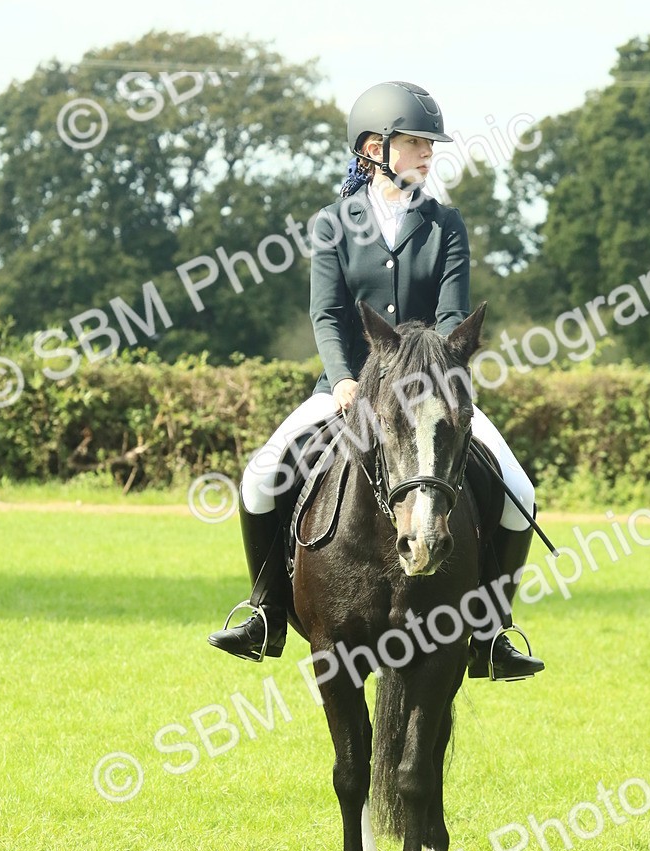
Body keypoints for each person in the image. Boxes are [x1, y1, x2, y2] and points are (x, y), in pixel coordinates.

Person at [208, 80, 544, 680]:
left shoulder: (447, 224)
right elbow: (328, 314)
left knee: (519, 491)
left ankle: (493, 630)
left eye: (428, 145)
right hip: (347, 390)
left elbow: (450, 313)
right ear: (373, 147)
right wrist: (341, 382)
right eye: (415, 143)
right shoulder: (333, 223)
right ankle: (265, 612)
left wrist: (441, 378)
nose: (428, 154)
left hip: (433, 391)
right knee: (261, 479)